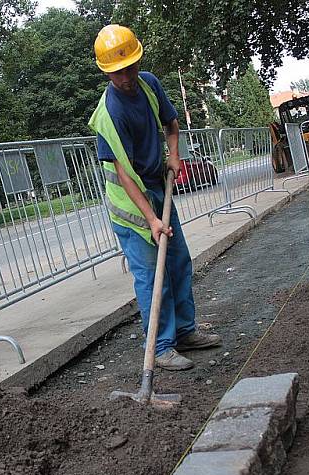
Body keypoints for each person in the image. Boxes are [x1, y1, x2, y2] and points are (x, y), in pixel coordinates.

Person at [88, 24, 221, 371]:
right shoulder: (109, 115)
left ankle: (186, 331)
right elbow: (124, 175)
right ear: (107, 71)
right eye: (118, 72)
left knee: (177, 260)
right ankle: (161, 347)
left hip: (158, 186)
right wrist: (151, 219)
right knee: (151, 275)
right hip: (130, 203)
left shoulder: (148, 84)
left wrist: (174, 155)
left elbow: (171, 123)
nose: (127, 77)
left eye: (130, 67)